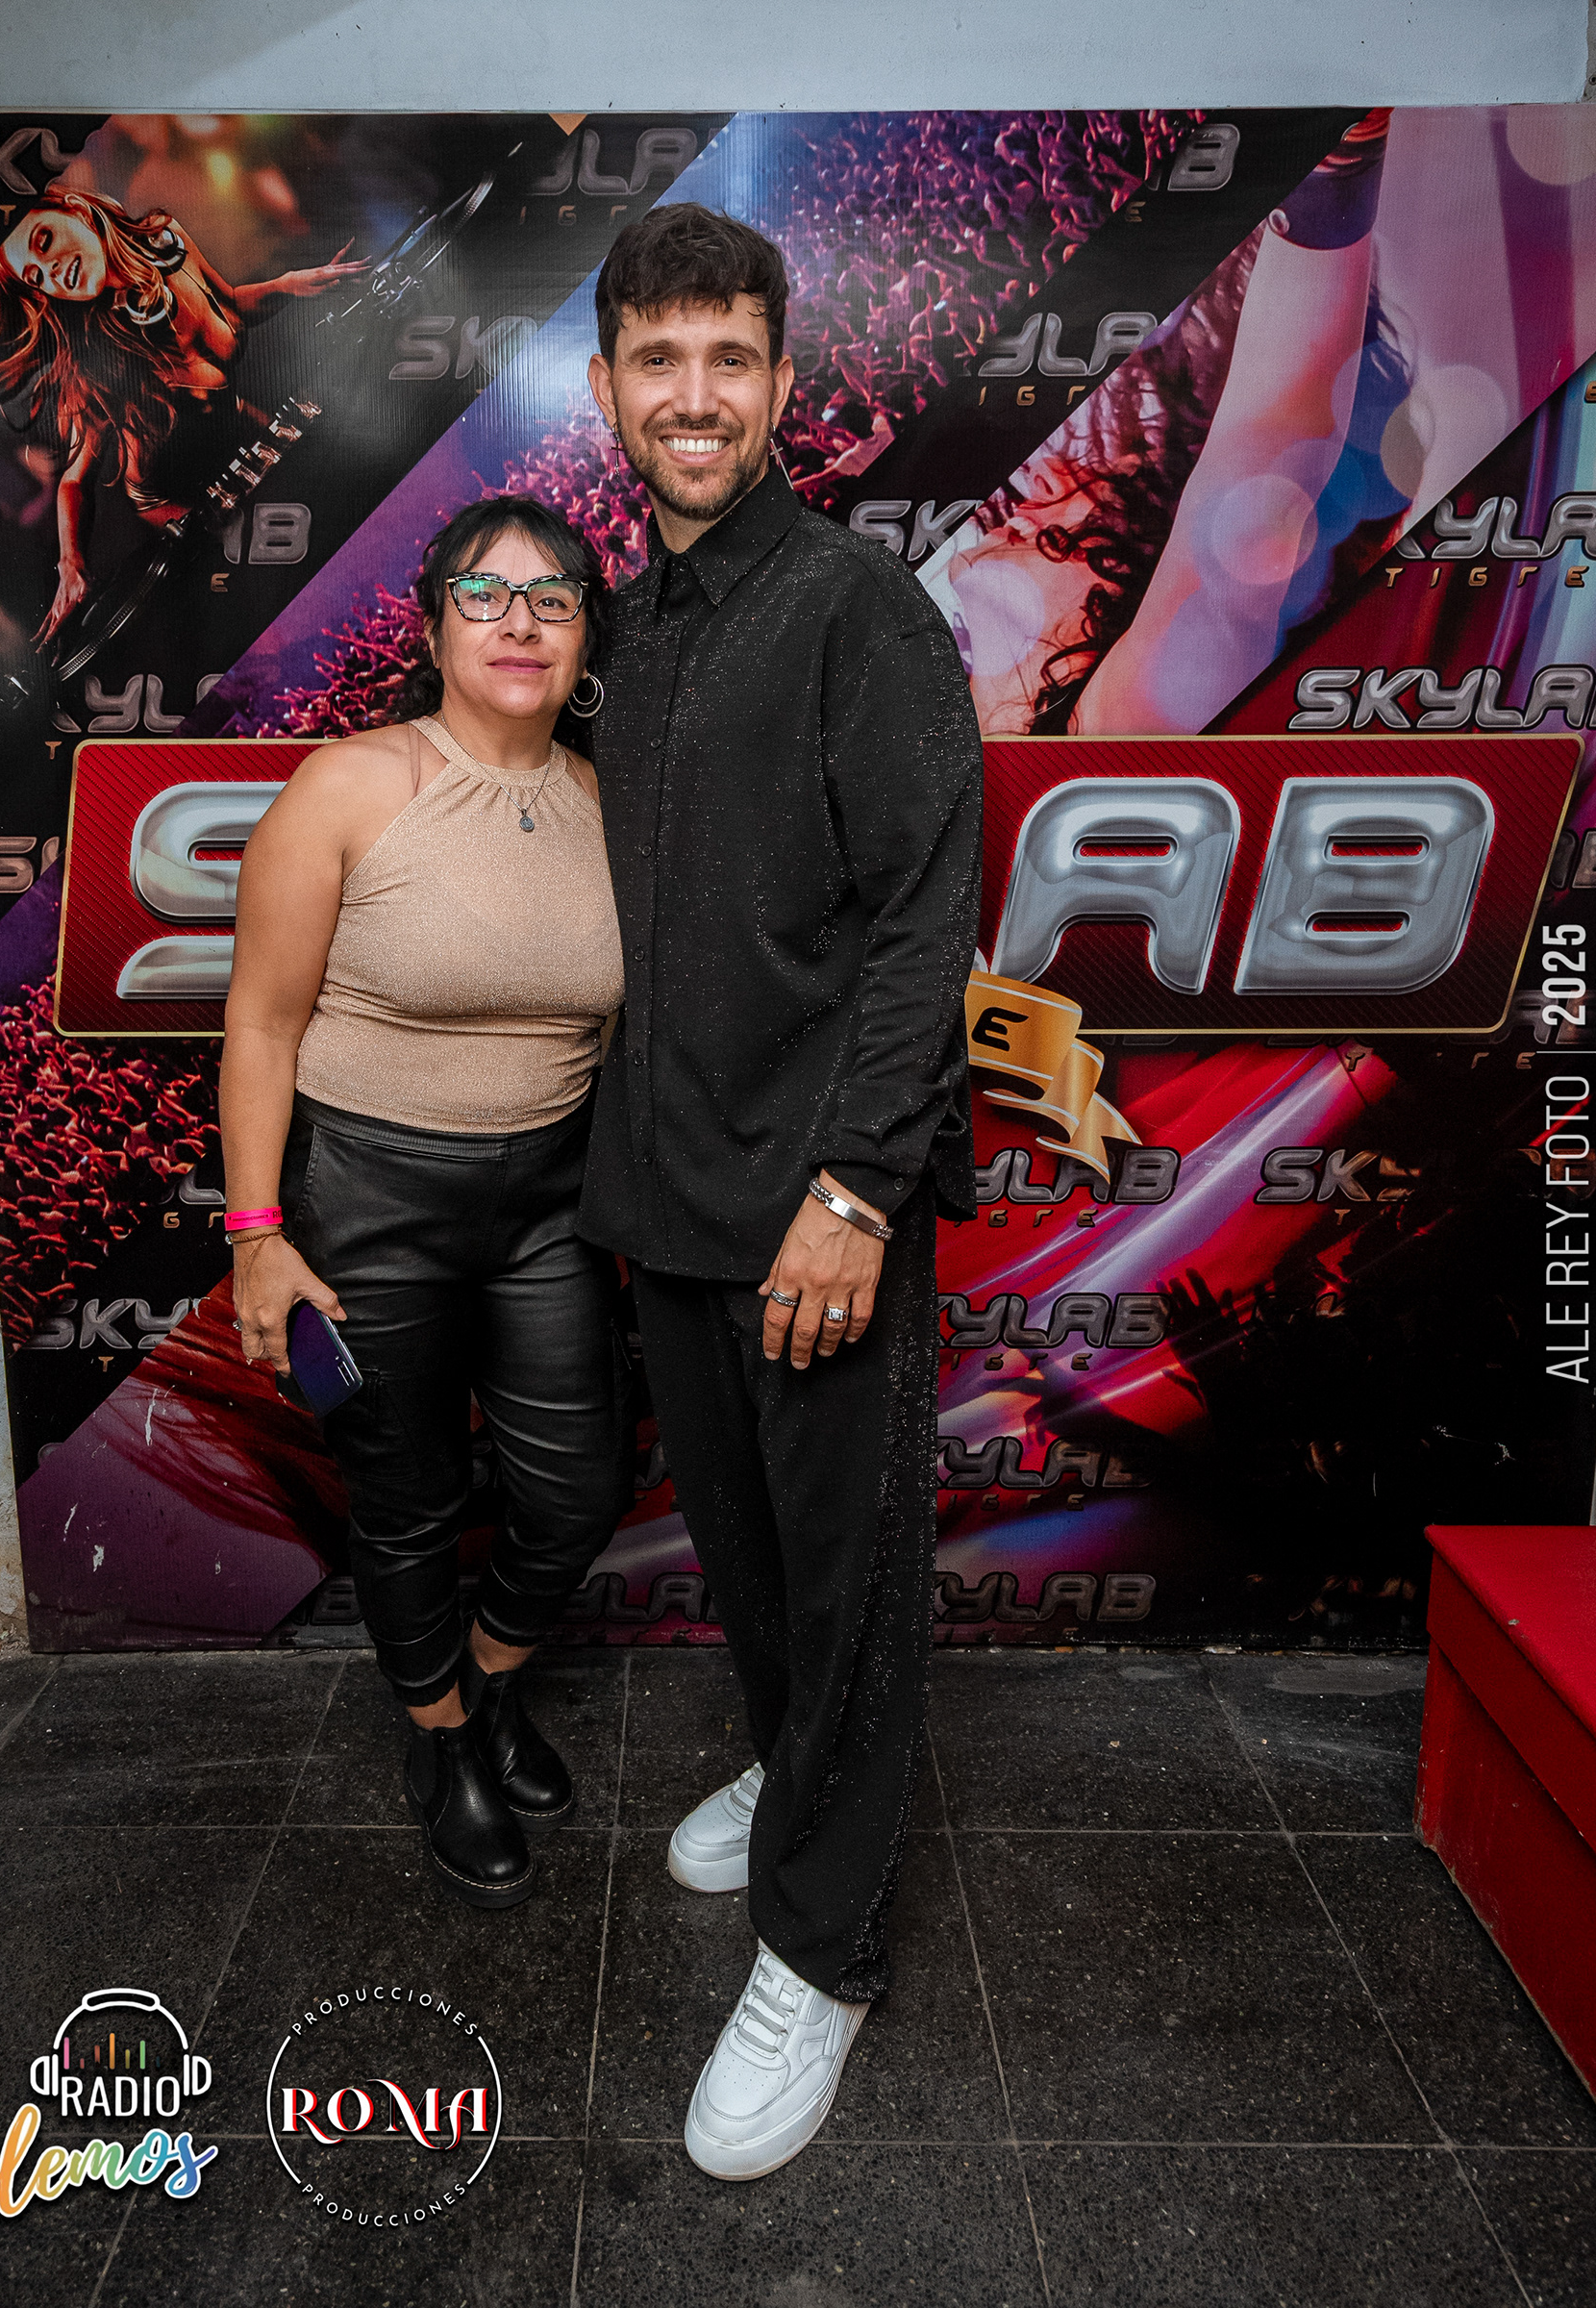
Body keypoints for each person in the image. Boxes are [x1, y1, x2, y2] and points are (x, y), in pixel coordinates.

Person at [583, 204, 983, 2179]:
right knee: (746, 1560)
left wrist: (858, 1189)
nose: (695, 394)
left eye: (728, 358)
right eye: (659, 359)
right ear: (608, 390)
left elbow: (923, 921)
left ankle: (818, 1950)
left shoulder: (854, 608)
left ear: (782, 383)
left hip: (820, 1206)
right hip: (669, 1198)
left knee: (844, 1582)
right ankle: (792, 1768)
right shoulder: (632, 628)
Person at [218, 495, 632, 1911]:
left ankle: (493, 1684)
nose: (521, 623)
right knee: (405, 1502)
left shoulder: (613, 802)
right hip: (368, 1197)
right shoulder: (350, 785)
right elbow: (261, 1026)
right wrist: (259, 1240)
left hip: (549, 1201)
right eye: (485, 594)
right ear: (434, 623)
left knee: (576, 1491)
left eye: (554, 596)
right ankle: (443, 1741)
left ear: (587, 632)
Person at [943, 110, 1399, 739]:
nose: (1044, 480)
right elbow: (1259, 477)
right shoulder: (1115, 732)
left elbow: (1257, 473)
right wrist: (1336, 155)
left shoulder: (1093, 740)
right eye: (1104, 508)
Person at [0, 187, 367, 641]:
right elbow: (74, 480)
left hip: (245, 432)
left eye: (44, 241)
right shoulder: (89, 357)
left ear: (75, 210)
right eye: (37, 277)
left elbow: (228, 302)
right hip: (183, 506)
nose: (51, 271)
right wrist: (70, 565)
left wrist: (288, 285)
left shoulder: (167, 239)